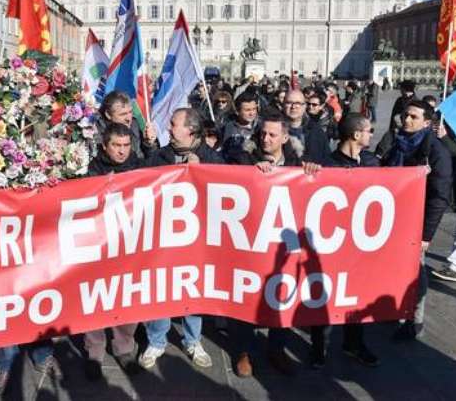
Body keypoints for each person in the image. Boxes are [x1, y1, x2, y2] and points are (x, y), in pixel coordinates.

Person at [226, 113, 320, 378]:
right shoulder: (244, 157)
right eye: (263, 134)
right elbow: (226, 180)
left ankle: (277, 348)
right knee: (246, 293)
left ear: (285, 137)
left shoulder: (296, 163)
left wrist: (311, 172)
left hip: (282, 241)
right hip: (249, 240)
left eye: (272, 135)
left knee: (283, 294)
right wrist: (250, 174)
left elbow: (312, 190)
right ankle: (243, 350)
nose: (265, 139)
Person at [138, 108, 222, 370]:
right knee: (160, 287)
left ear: (191, 131)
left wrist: (204, 174)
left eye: (174, 124)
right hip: (162, 237)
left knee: (192, 287)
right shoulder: (161, 156)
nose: (169, 128)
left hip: (196, 241)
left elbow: (230, 190)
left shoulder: (213, 159)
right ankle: (156, 341)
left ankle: (193, 340)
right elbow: (139, 183)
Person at [309, 113, 379, 368]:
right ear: (356, 135)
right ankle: (319, 348)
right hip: (330, 244)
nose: (372, 134)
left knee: (358, 294)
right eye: (369, 130)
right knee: (324, 295)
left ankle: (354, 343)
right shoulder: (325, 166)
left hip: (359, 244)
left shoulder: (371, 163)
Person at [382, 101, 452, 340]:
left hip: (416, 221)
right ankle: (393, 309)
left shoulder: (436, 152)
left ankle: (413, 319)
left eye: (413, 116)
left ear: (426, 122)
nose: (406, 120)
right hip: (392, 216)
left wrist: (426, 235)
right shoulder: (397, 143)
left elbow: (440, 195)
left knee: (415, 271)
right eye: (405, 115)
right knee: (393, 267)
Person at [82, 123, 142, 380]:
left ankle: (124, 347)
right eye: (116, 146)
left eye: (126, 145)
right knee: (95, 299)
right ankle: (94, 354)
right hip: (98, 245)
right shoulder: (90, 169)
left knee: (127, 299)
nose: (121, 151)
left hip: (129, 246)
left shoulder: (139, 168)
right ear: (105, 145)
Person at [96, 91, 157, 158]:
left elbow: (148, 160)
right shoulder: (95, 131)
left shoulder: (134, 125)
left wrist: (148, 144)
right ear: (108, 114)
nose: (128, 119)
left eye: (130, 112)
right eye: (123, 114)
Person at [282, 89, 331, 164]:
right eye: (289, 103)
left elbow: (327, 160)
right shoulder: (272, 128)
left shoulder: (317, 131)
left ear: (304, 106)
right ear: (283, 104)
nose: (293, 107)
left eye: (298, 103)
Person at [220, 92, 259, 159]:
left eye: (254, 109)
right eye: (247, 110)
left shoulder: (261, 126)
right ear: (237, 111)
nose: (251, 113)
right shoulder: (228, 128)